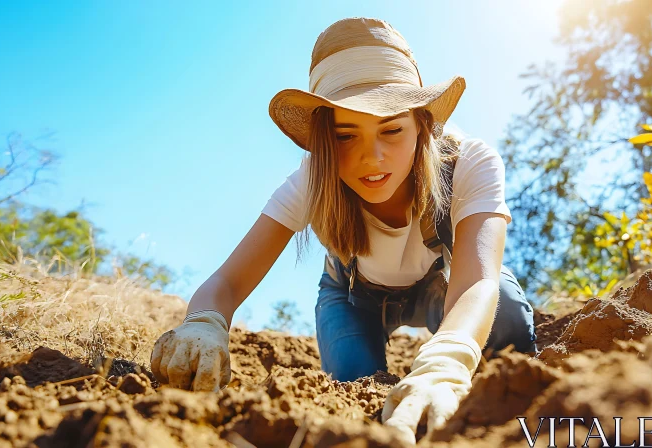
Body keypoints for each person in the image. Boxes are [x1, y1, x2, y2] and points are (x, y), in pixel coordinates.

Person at [150, 17, 537, 444]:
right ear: (323, 140)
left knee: (508, 321)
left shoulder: (469, 161)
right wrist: (204, 323)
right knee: (357, 391)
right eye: (345, 135)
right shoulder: (311, 179)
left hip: (441, 287)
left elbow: (478, 281)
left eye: (391, 129)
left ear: (423, 124)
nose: (372, 158)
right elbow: (225, 281)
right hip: (353, 298)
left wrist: (448, 360)